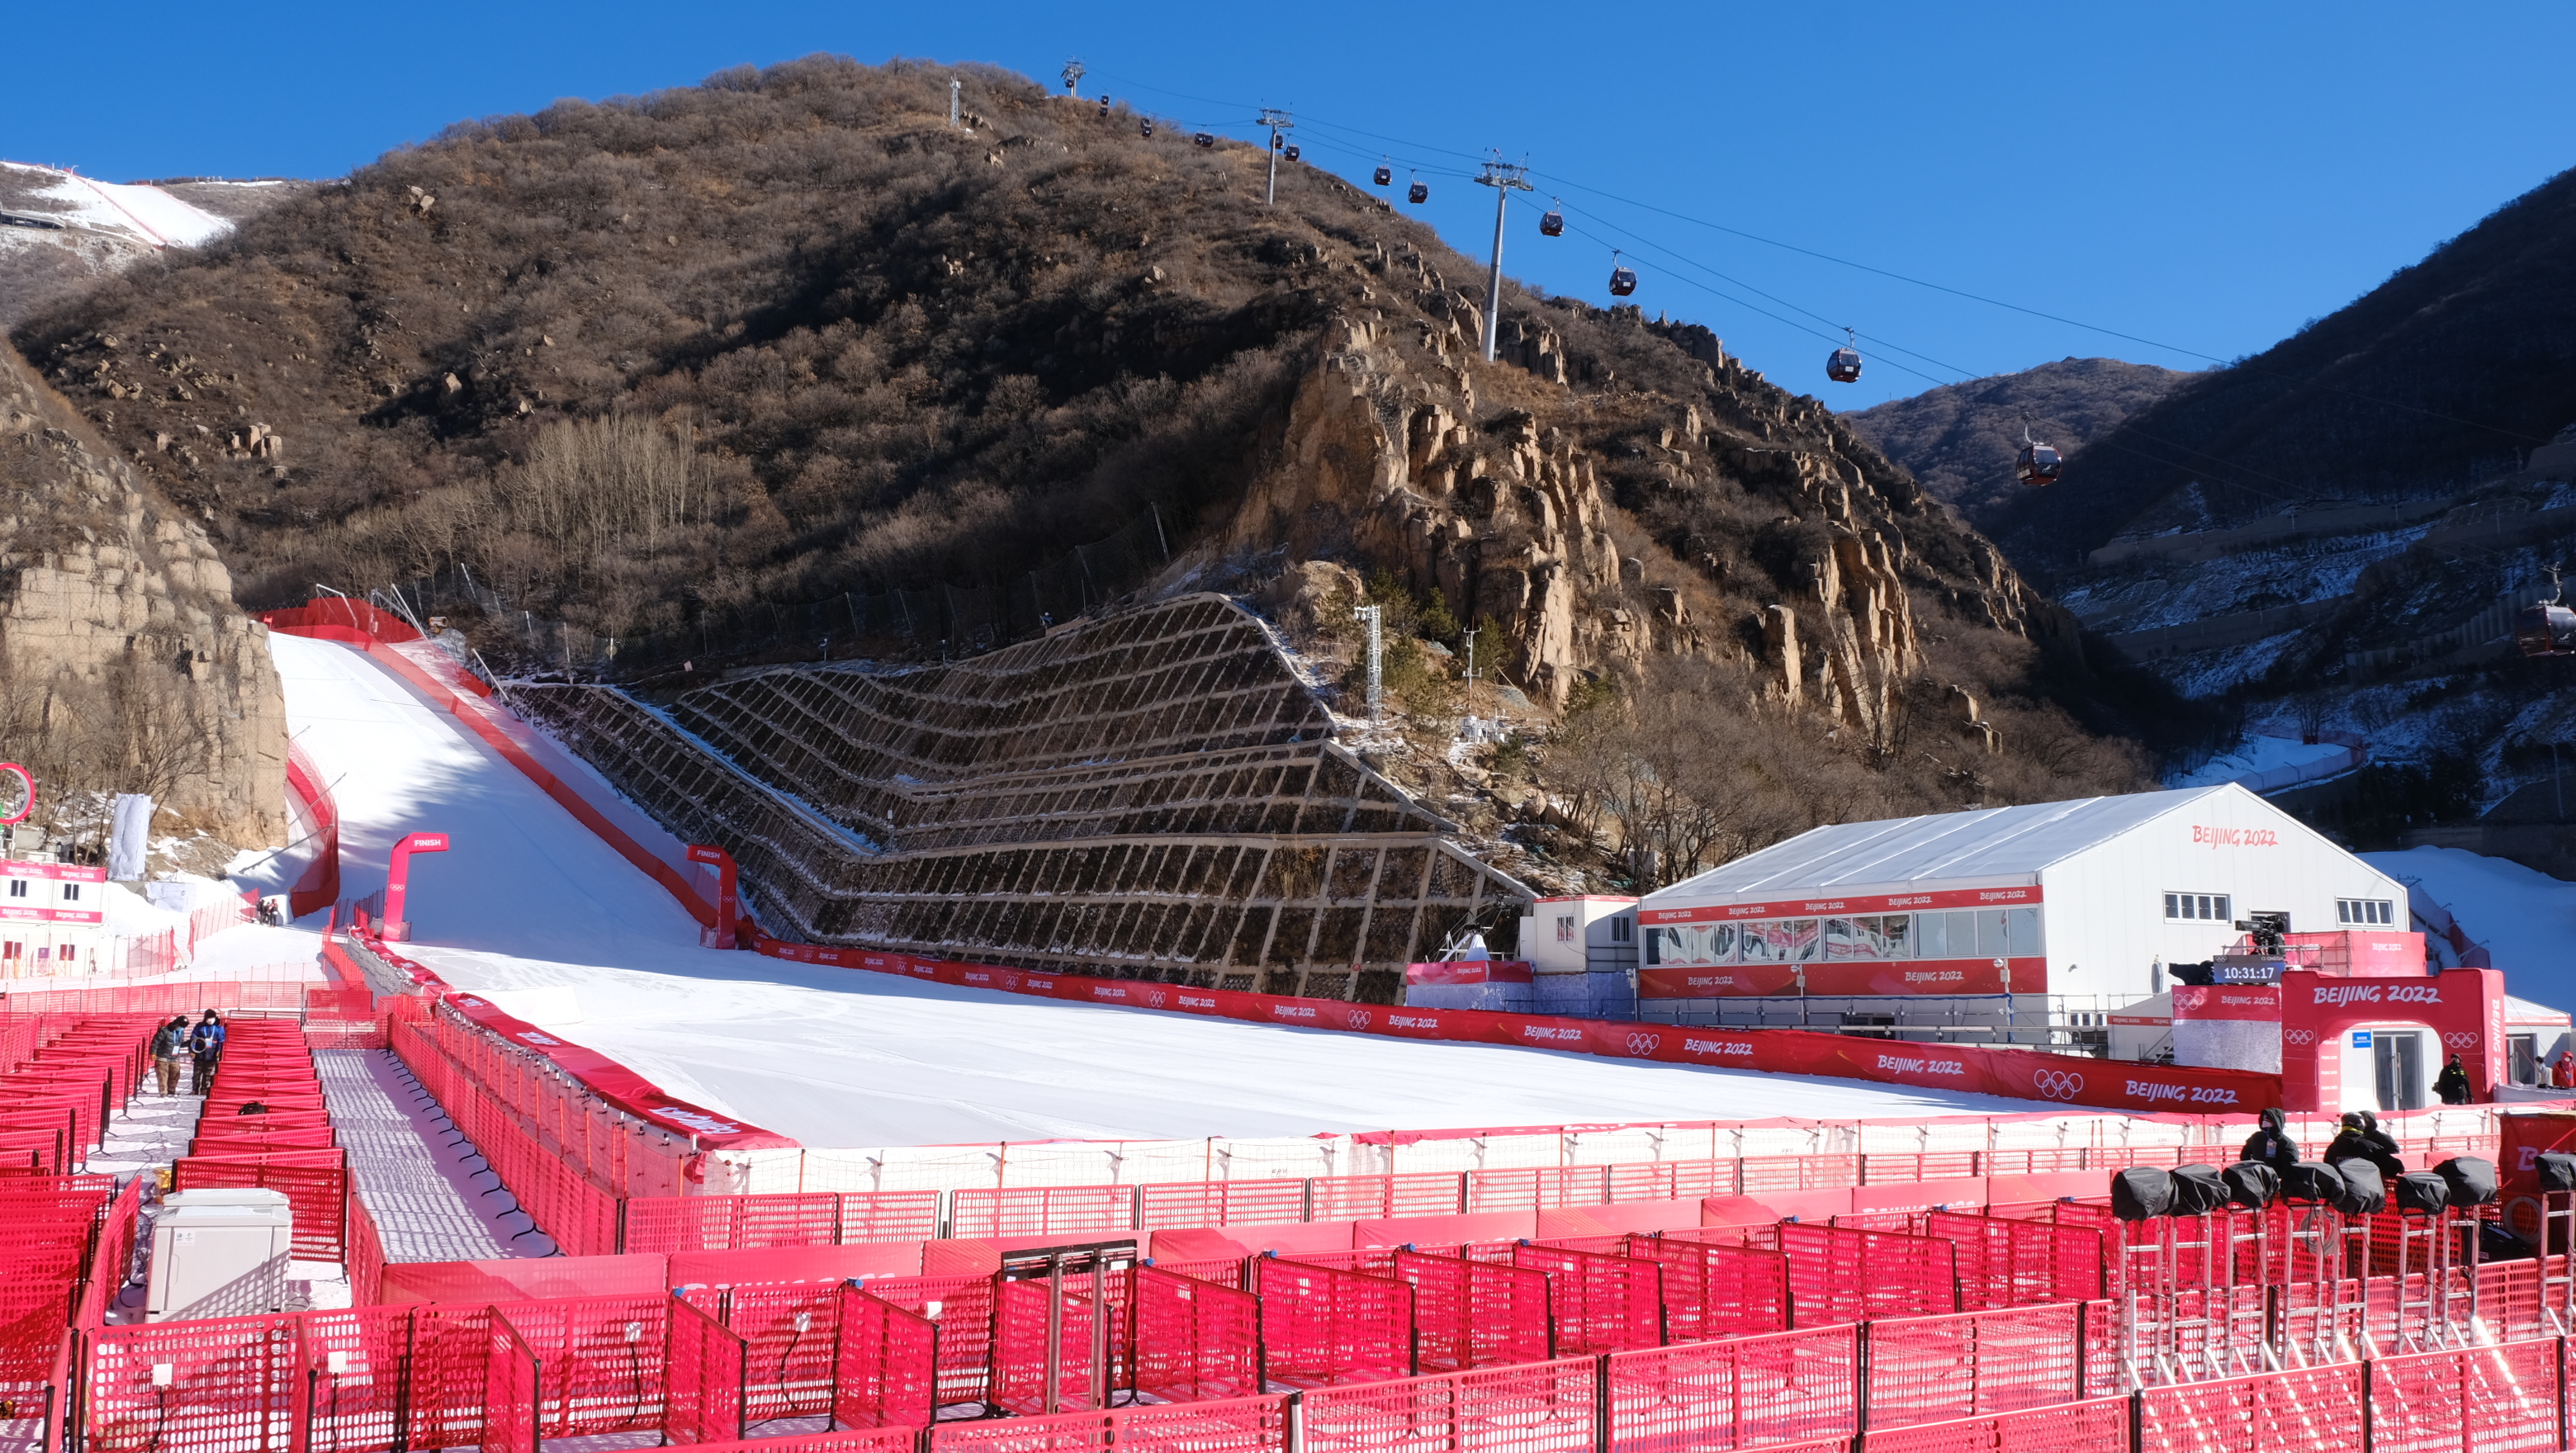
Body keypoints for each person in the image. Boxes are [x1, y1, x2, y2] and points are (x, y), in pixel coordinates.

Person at [2324, 1112, 2404, 1181]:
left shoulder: (2332, 1149)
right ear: (2361, 1125)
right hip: (2368, 1193)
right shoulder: (2370, 1147)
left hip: (2340, 1194)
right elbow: (2392, 1168)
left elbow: (2327, 1170)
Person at [2238, 1107, 2300, 1174]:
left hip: (2276, 1178)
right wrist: (2249, 1171)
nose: (2264, 1122)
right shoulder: (2256, 1137)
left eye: (2268, 1120)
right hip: (2257, 1177)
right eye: (2263, 1119)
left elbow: (2291, 1164)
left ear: (2276, 1121)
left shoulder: (2286, 1143)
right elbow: (2245, 1155)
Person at [149, 1016, 191, 1096]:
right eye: (181, 1026)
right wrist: (153, 1052)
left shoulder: (180, 1032)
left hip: (174, 1058)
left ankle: (171, 1091)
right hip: (163, 1057)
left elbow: (180, 1044)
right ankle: (163, 1092)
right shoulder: (164, 1030)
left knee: (175, 1074)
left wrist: (189, 1043)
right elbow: (156, 1042)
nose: (182, 1029)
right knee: (163, 1076)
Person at [187, 1010, 225, 1094]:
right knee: (197, 1073)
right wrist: (192, 1050)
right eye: (209, 1018)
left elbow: (221, 1040)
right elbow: (193, 1038)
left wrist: (219, 1051)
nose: (210, 1020)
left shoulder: (219, 1028)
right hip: (200, 1053)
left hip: (212, 1054)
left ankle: (204, 1089)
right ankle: (195, 1089)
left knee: (207, 1073)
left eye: (212, 1018)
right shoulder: (200, 1026)